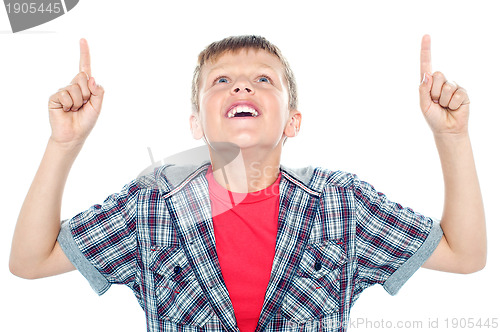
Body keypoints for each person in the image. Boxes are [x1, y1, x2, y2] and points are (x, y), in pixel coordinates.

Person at [9, 34, 486, 332]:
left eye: (262, 78)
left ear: (292, 121)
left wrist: (452, 135)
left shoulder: (343, 204)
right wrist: (65, 143)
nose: (241, 87)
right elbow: (30, 261)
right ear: (196, 123)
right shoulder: (151, 207)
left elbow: (465, 255)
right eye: (221, 81)